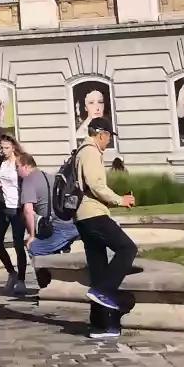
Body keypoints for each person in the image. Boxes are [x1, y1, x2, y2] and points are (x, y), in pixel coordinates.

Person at [73, 117, 139, 343]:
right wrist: (120, 200)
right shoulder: (90, 151)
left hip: (84, 217)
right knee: (127, 248)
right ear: (100, 134)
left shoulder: (83, 151)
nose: (109, 141)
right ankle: (104, 291)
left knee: (99, 270)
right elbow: (95, 185)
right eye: (109, 136)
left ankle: (102, 325)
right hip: (93, 215)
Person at [0, 131, 31, 293]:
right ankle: (11, 273)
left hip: (17, 207)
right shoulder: (0, 161)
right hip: (2, 206)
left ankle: (21, 280)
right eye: (2, 147)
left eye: (6, 148)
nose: (3, 151)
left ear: (13, 147)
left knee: (18, 243)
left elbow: (28, 179)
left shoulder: (21, 160)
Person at [11, 147, 52, 303]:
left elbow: (28, 210)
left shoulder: (28, 180)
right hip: (60, 224)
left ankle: (46, 288)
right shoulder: (48, 177)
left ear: (26, 166)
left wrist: (32, 236)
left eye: (17, 167)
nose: (17, 171)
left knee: (35, 250)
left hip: (43, 226)